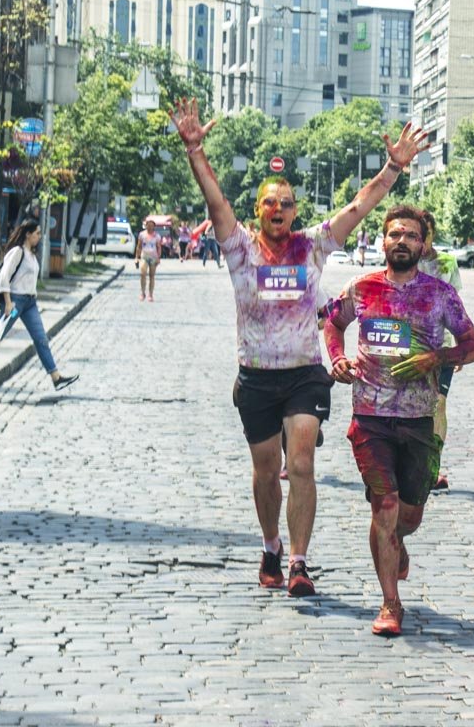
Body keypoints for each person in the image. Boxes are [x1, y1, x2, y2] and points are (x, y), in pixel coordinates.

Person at [171, 97, 428, 597]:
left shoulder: (312, 245)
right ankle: (271, 544)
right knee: (267, 471)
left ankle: (298, 561)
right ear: (259, 210)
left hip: (305, 373)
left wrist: (394, 167)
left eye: (287, 203)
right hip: (256, 376)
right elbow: (216, 203)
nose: (279, 209)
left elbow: (358, 208)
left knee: (303, 462)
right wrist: (195, 151)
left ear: (295, 212)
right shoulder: (240, 248)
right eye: (270, 202)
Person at [325, 206, 474, 636]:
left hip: (418, 420)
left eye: (411, 236)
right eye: (394, 234)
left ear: (423, 244)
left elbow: (473, 346)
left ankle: (398, 542)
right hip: (370, 416)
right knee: (386, 507)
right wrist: (337, 359)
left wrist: (438, 357)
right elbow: (332, 323)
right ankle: (390, 602)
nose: (401, 241)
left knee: (408, 515)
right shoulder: (362, 288)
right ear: (382, 241)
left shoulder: (439, 294)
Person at [0, 220, 80, 391]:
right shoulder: (17, 252)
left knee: (41, 339)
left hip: (30, 303)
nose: (39, 237)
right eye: (37, 233)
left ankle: (56, 377)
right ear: (28, 234)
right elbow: (4, 276)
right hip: (15, 301)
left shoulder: (31, 254)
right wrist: (8, 302)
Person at [417, 211, 461, 491]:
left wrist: (459, 344)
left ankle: (432, 468)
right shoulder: (402, 259)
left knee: (438, 404)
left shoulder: (447, 264)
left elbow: (455, 305)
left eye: (426, 234)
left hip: (441, 346)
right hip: (406, 347)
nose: (421, 242)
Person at [135, 219, 162, 301]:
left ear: (154, 226)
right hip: (144, 256)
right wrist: (137, 257)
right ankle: (143, 293)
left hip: (153, 257)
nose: (150, 227)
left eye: (151, 226)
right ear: (146, 226)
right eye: (148, 225)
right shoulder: (142, 235)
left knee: (152, 276)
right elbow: (139, 246)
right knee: (143, 273)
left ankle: (150, 294)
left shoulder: (157, 236)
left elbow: (158, 247)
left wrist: (158, 258)